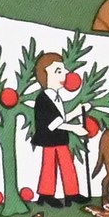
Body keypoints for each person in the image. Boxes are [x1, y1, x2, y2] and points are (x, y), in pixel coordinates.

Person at [29, 51, 83, 205]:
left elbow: (60, 118)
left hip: (60, 138)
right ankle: (46, 195)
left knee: (67, 165)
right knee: (49, 167)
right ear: (45, 75)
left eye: (63, 70)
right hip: (49, 139)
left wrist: (77, 112)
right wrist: (74, 128)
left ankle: (72, 194)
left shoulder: (56, 97)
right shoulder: (43, 99)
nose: (65, 74)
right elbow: (52, 124)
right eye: (58, 71)